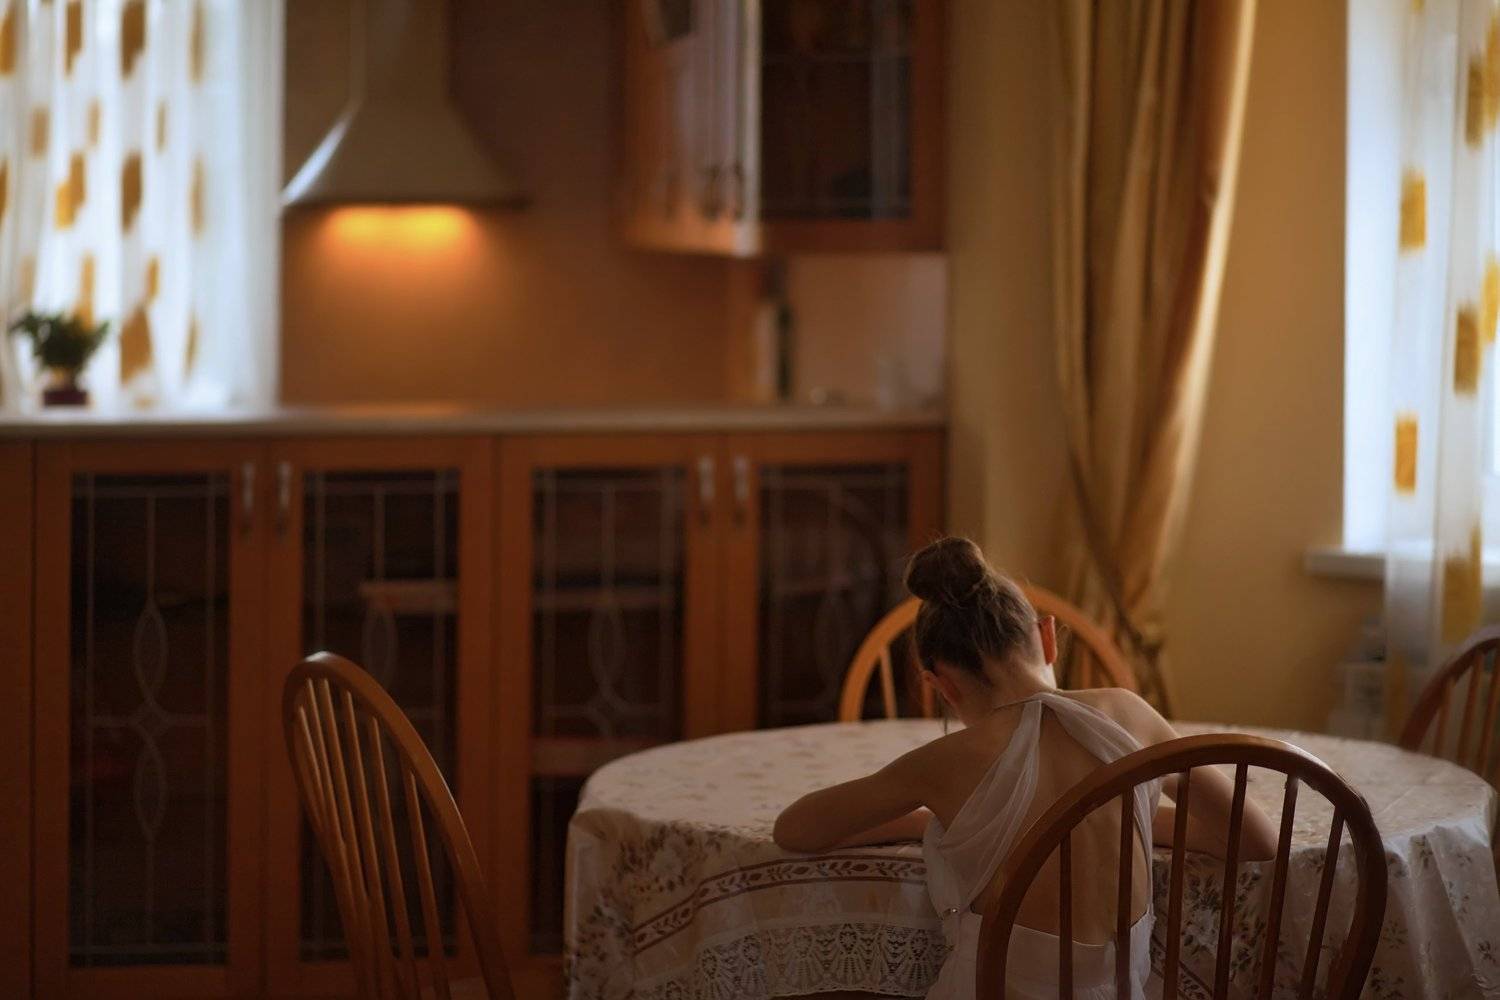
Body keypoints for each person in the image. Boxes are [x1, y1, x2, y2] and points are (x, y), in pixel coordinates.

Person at [773, 537, 1277, 1000]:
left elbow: (795, 828)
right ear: (1048, 637)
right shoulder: (1129, 714)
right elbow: (1256, 839)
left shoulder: (946, 762)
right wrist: (1132, 813)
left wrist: (927, 822)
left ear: (942, 684)